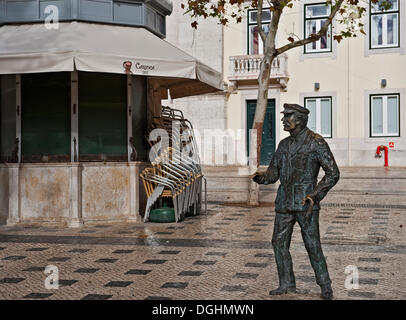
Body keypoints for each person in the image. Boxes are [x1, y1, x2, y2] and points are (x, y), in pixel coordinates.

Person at [253, 103, 340, 300]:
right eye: (284, 116)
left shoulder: (315, 142)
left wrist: (315, 195)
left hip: (305, 203)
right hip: (284, 202)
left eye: (288, 116)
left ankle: (325, 285)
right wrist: (263, 178)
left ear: (300, 119)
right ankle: (286, 283)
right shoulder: (283, 145)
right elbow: (273, 173)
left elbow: (333, 173)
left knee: (312, 244)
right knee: (278, 243)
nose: (283, 119)